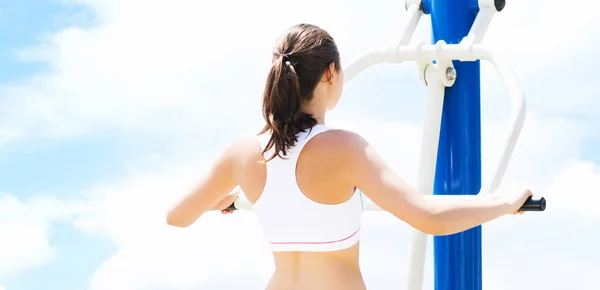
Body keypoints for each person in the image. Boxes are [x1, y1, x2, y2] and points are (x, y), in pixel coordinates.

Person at [166, 23, 533, 290]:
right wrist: (502, 203)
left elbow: (177, 217)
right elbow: (428, 217)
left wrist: (218, 202)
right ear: (331, 73)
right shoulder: (344, 148)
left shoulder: (243, 152)